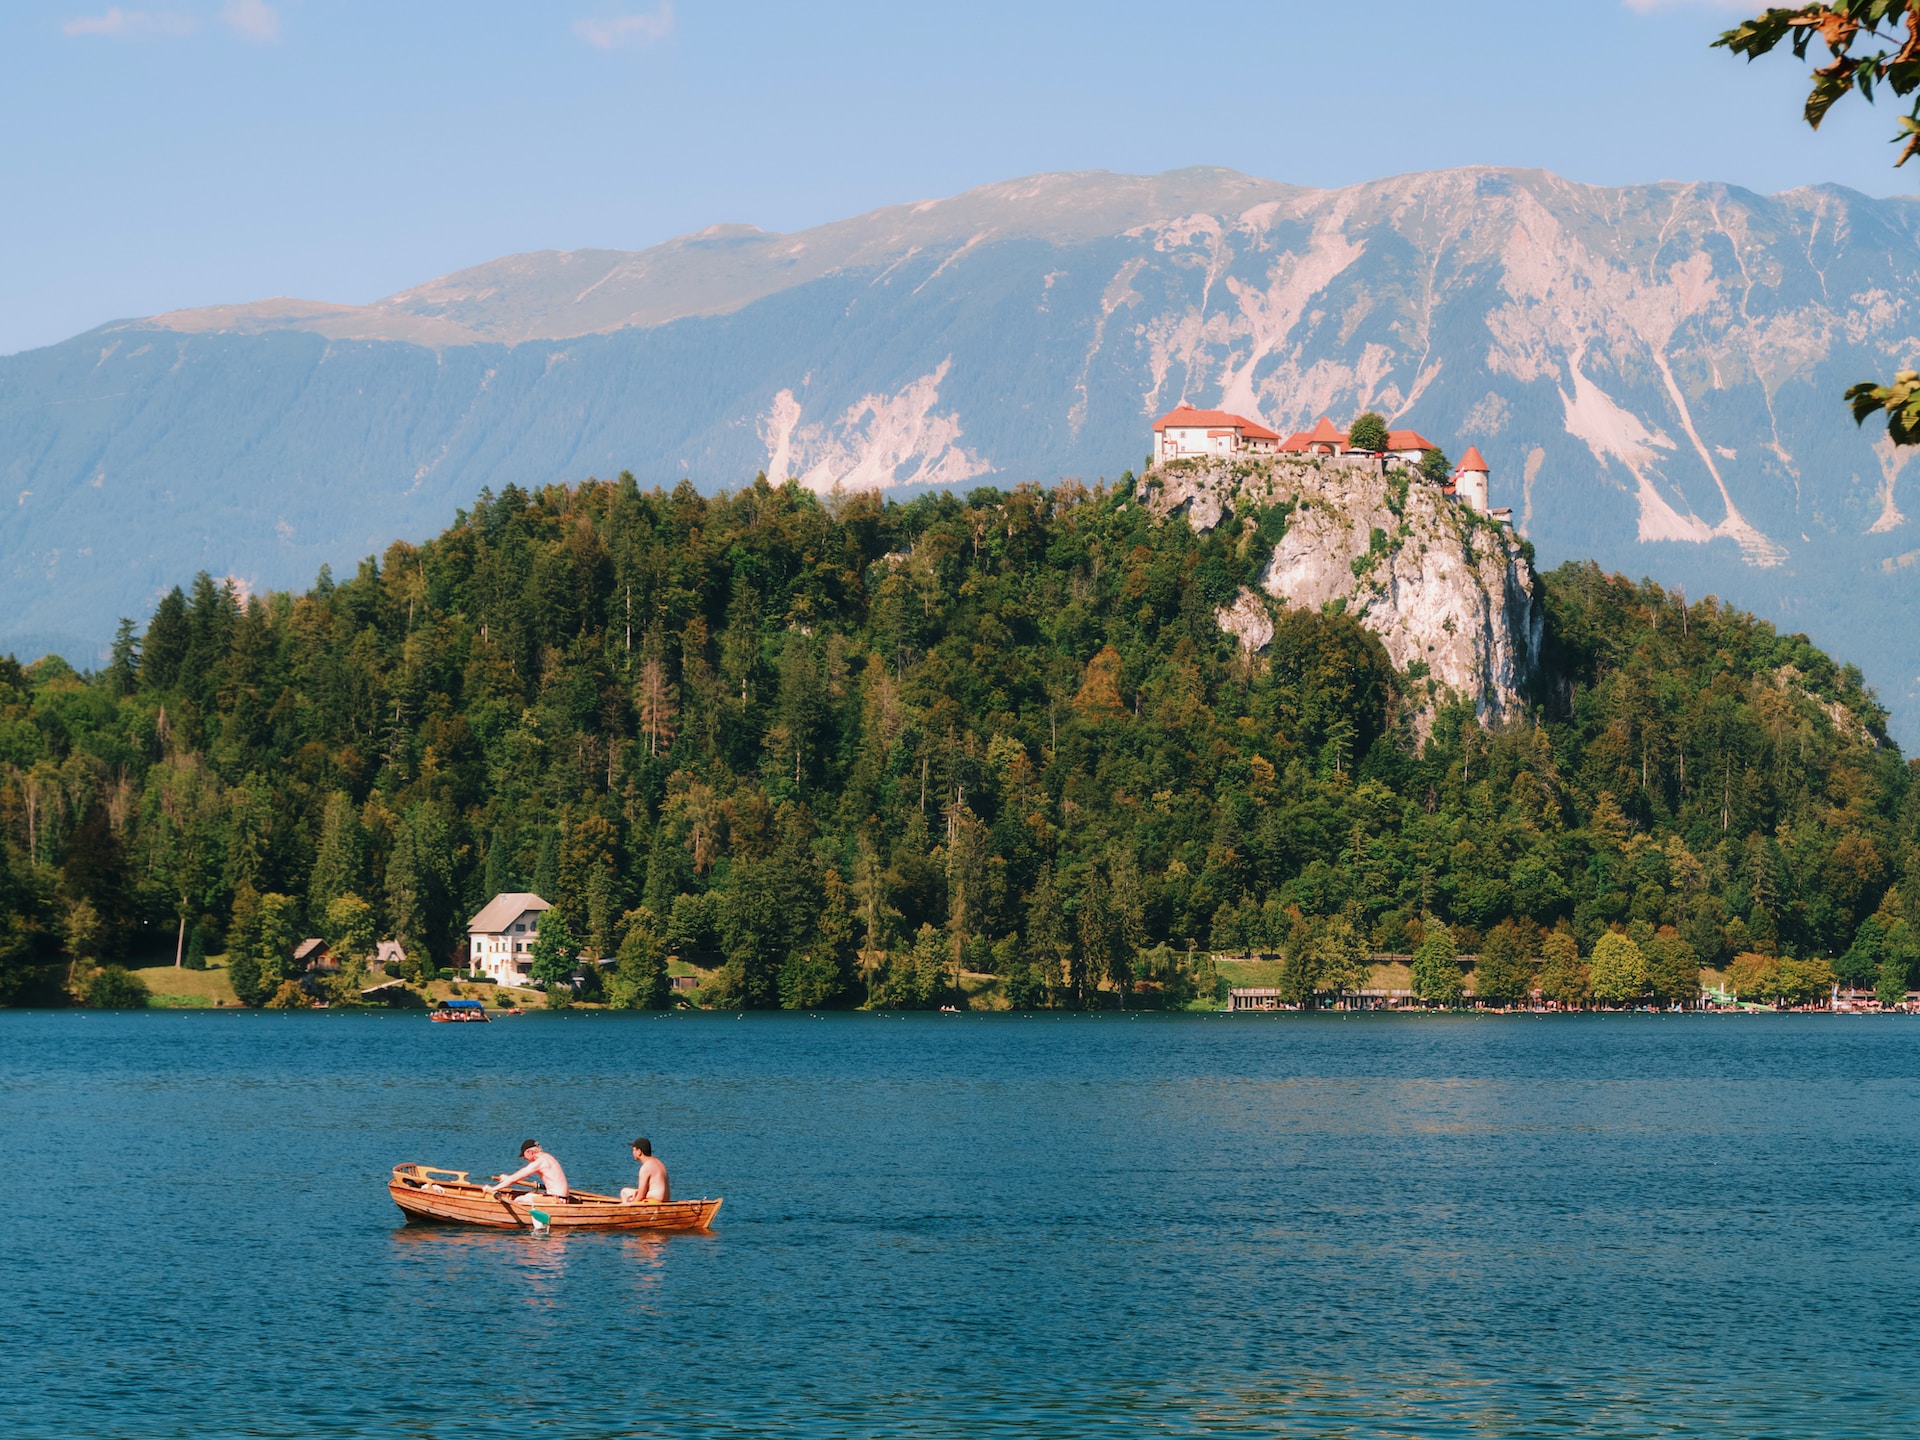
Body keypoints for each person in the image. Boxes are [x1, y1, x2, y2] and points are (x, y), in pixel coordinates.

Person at [484, 1139, 572, 1203]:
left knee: (519, 1199)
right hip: (559, 1197)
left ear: (530, 1152)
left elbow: (515, 1178)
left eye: (524, 1155)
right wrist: (508, 1178)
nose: (524, 1158)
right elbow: (515, 1177)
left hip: (557, 1200)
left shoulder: (540, 1162)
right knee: (528, 1195)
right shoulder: (547, 1157)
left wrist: (492, 1189)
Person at [619, 1137, 670, 1204]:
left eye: (633, 1150)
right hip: (665, 1201)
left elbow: (641, 1195)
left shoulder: (646, 1167)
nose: (632, 1152)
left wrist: (632, 1204)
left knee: (624, 1192)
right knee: (626, 1191)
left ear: (639, 1151)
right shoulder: (659, 1163)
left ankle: (626, 1213)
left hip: (655, 1202)